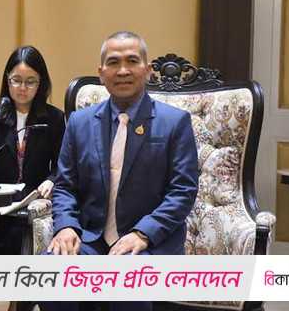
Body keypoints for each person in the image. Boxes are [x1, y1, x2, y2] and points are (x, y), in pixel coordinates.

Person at [45, 31, 199, 311]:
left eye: (132, 61)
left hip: (150, 244)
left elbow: (182, 192)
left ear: (148, 70)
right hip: (91, 240)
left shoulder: (175, 122)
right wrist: (66, 225)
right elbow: (65, 185)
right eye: (114, 62)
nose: (123, 70)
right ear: (101, 73)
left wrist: (143, 233)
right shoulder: (79, 122)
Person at [0, 45, 65, 255]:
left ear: (41, 83)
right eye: (16, 80)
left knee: (17, 232)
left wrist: (51, 180)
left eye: (30, 82)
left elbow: (63, 165)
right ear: (7, 80)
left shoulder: (54, 119)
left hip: (34, 197)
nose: (22, 88)